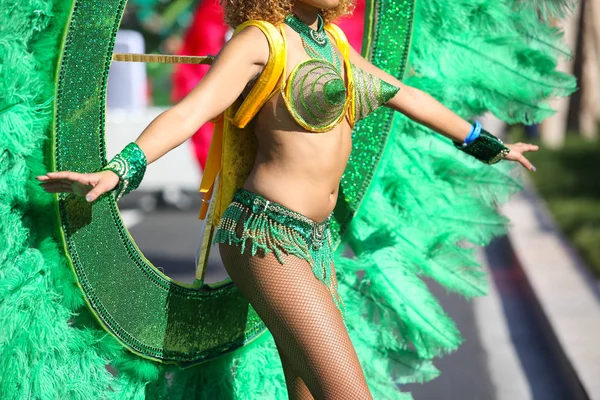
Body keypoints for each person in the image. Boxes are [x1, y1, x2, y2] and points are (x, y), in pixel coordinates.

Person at [37, 1, 554, 398]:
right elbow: (189, 112)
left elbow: (407, 97)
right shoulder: (261, 40)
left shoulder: (332, 44)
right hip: (266, 235)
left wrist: (492, 148)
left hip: (315, 244)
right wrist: (119, 170)